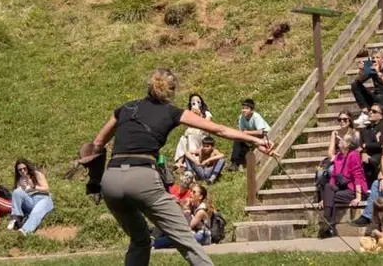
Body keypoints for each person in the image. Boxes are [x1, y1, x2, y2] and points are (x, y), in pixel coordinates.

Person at [89, 68, 273, 266]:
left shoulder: (125, 108)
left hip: (111, 180)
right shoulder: (172, 112)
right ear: (172, 90)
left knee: (140, 239)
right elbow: (219, 130)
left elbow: (97, 143)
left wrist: (94, 181)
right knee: (185, 239)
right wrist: (256, 141)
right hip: (142, 177)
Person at [316, 133, 366, 238]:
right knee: (328, 187)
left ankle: (329, 225)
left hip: (352, 189)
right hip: (340, 188)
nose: (340, 140)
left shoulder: (354, 155)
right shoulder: (338, 156)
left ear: (348, 144)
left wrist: (358, 197)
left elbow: (358, 176)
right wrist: (324, 198)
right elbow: (333, 177)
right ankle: (330, 225)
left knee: (330, 197)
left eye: (342, 139)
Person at [352, 50, 383, 125]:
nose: (374, 59)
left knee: (380, 96)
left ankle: (381, 119)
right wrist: (361, 71)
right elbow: (359, 81)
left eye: (377, 57)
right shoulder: (372, 67)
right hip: (377, 98)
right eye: (373, 58)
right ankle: (365, 113)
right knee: (355, 84)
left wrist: (378, 73)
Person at [10, 158, 54, 235]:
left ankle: (25, 231)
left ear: (28, 167)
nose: (23, 171)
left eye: (24, 168)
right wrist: (22, 187)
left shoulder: (37, 174)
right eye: (20, 170)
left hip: (43, 198)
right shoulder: (20, 180)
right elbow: (17, 196)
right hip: (30, 200)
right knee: (16, 192)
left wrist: (34, 187)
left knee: (35, 213)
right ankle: (16, 218)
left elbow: (47, 189)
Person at [228, 98, 270, 171]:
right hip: (252, 137)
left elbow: (260, 132)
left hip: (265, 136)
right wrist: (245, 133)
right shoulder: (241, 117)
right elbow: (242, 131)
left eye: (246, 108)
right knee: (238, 140)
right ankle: (234, 163)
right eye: (243, 108)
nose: (243, 110)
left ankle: (244, 162)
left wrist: (247, 132)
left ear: (252, 110)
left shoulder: (256, 116)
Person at [174, 94, 211, 170]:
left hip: (202, 133)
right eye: (193, 102)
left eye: (197, 101)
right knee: (183, 139)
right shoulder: (188, 113)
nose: (195, 103)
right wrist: (190, 115)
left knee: (192, 137)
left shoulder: (206, 113)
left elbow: (207, 124)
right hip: (190, 132)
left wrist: (200, 114)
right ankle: (180, 162)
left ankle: (193, 161)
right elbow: (185, 126)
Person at [358, 103, 383, 186]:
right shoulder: (365, 129)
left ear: (381, 116)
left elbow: (381, 144)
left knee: (371, 161)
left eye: (374, 111)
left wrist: (366, 146)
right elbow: (361, 145)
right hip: (367, 153)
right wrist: (364, 152)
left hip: (381, 153)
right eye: (370, 110)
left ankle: (371, 186)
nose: (370, 112)